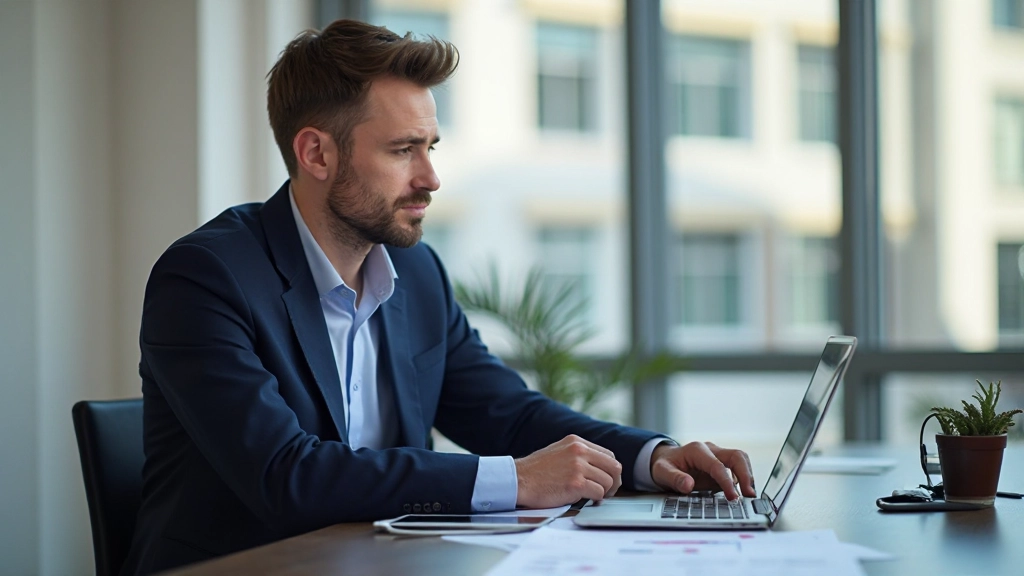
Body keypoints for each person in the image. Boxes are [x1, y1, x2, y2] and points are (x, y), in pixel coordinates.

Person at [121, 19, 756, 576]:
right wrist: (516, 478)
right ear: (315, 153)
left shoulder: (415, 271)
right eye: (403, 150)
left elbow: (507, 415)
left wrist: (653, 458)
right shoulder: (206, 277)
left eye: (429, 147)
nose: (430, 178)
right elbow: (286, 475)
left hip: (384, 563)